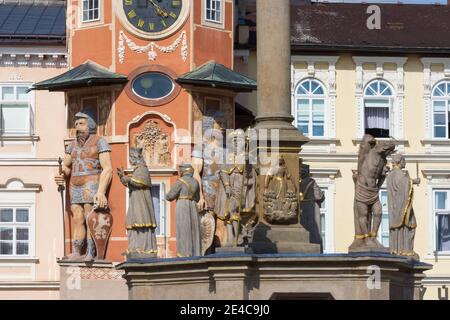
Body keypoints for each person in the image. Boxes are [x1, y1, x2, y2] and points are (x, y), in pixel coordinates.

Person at [54, 109, 112, 262]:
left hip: (91, 182)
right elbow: (66, 166)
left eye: (81, 123)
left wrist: (101, 192)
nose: (77, 127)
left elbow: (107, 168)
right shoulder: (71, 145)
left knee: (89, 216)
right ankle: (76, 250)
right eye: (76, 124)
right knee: (77, 218)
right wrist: (61, 174)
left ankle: (91, 252)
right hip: (74, 184)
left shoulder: (100, 141)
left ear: (90, 125)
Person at [117, 146, 158, 259]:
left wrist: (128, 179)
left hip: (141, 201)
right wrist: (122, 177)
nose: (130, 159)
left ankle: (144, 248)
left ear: (137, 157)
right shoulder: (137, 169)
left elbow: (141, 182)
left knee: (141, 222)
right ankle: (134, 248)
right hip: (135, 199)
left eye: (131, 157)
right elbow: (132, 183)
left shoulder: (142, 169)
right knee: (133, 222)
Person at [386, 154, 419, 258]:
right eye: (404, 160)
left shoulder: (391, 174)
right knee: (408, 224)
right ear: (399, 161)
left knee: (400, 227)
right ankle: (405, 249)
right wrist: (413, 181)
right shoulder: (398, 173)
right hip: (401, 205)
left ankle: (396, 248)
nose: (405, 162)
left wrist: (410, 180)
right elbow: (403, 183)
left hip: (394, 206)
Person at [166, 164, 201, 257]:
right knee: (193, 230)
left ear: (183, 171)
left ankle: (184, 253)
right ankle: (195, 253)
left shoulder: (180, 181)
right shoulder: (195, 182)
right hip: (193, 205)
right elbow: (197, 198)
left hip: (182, 205)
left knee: (183, 229)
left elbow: (169, 196)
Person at [299, 164, 325, 252]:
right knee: (314, 228)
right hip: (312, 206)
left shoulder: (298, 183)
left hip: (302, 207)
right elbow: (319, 196)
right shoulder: (312, 182)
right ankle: (317, 248)